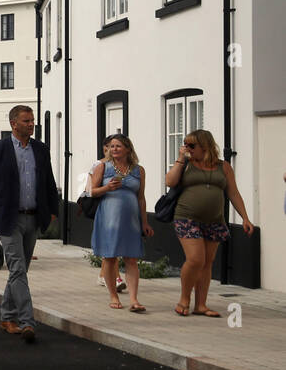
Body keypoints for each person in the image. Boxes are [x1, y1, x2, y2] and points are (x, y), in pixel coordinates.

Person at [0, 105, 60, 342]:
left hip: (33, 217)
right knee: (16, 268)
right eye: (26, 121)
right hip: (8, 218)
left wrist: (52, 210)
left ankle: (6, 316)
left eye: (32, 120)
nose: (31, 124)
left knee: (20, 270)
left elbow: (48, 180)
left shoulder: (40, 149)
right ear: (14, 124)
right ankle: (27, 322)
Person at [166, 129, 255, 317]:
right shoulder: (186, 164)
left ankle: (201, 305)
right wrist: (181, 158)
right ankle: (184, 298)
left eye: (191, 145)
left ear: (205, 146)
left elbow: (233, 193)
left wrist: (245, 217)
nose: (187, 148)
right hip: (186, 217)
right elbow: (170, 181)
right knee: (195, 259)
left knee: (207, 263)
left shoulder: (223, 167)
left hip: (214, 220)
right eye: (185, 144)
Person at [88, 134, 153, 312]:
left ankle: (134, 299)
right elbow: (91, 192)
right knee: (110, 257)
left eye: (118, 146)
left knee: (131, 258)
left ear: (128, 149)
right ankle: (113, 296)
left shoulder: (138, 170)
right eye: (112, 146)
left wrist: (145, 222)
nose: (114, 149)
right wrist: (106, 188)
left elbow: (141, 198)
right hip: (109, 219)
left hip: (131, 220)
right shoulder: (103, 166)